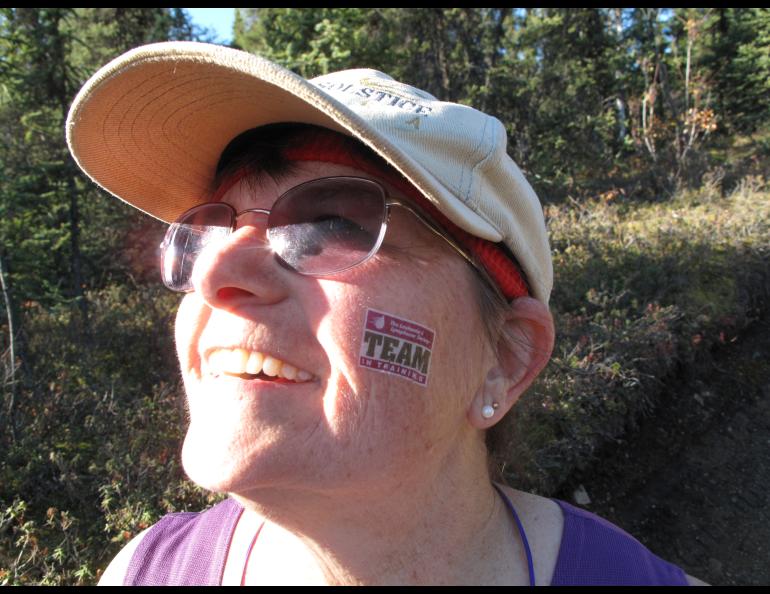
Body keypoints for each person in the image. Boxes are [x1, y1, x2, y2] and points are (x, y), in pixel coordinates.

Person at [66, 42, 707, 586]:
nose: (214, 275)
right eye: (203, 232)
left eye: (329, 224)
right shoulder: (139, 572)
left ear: (504, 360)